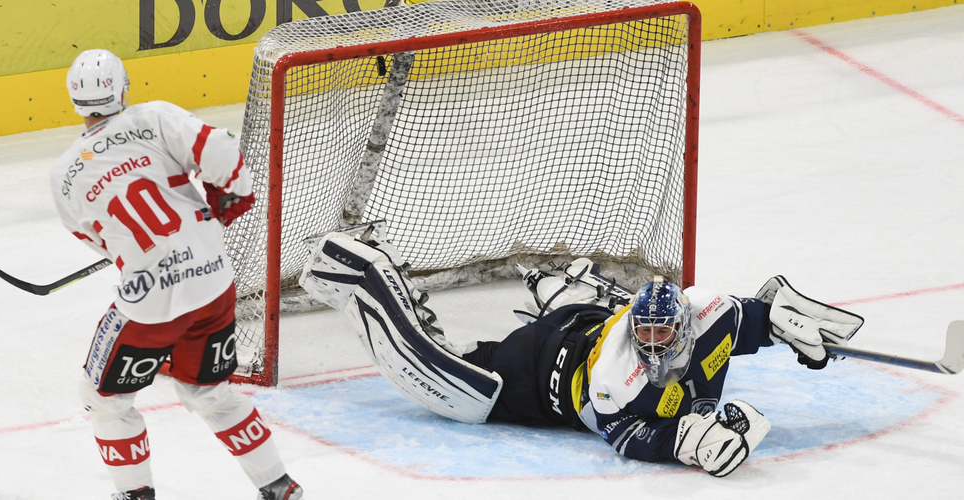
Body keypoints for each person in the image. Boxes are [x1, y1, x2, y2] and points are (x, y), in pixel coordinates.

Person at [299, 227, 865, 477]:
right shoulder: (615, 382)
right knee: (439, 379)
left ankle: (572, 291)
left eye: (661, 336)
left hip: (584, 321)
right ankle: (361, 268)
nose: (651, 346)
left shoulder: (706, 316)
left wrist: (785, 325)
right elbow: (628, 438)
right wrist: (682, 445)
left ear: (684, 329)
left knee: (597, 313)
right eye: (644, 336)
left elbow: (752, 314)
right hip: (523, 376)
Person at [50, 49, 304, 500]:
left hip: (151, 302)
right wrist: (231, 194)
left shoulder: (63, 175)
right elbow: (221, 148)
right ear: (123, 88)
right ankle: (278, 486)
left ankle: (135, 494)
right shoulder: (154, 117)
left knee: (104, 399)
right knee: (211, 393)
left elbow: (101, 243)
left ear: (74, 101)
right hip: (213, 283)